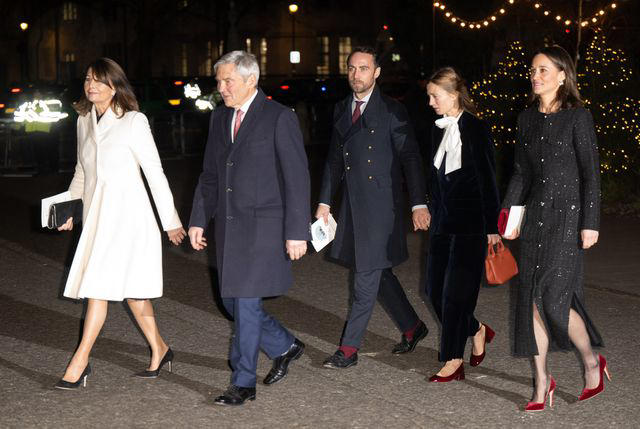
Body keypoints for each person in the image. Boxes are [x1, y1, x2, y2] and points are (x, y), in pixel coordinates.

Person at [188, 51, 311, 406]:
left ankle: (243, 382)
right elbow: (210, 175)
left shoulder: (278, 117)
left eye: (228, 81)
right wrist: (199, 218)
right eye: (219, 81)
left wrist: (296, 231)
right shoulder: (218, 118)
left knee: (243, 304)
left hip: (264, 229)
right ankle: (283, 344)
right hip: (229, 227)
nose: (221, 88)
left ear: (251, 80)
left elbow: (296, 177)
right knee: (230, 300)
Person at [55, 58, 186, 390]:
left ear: (115, 85)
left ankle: (79, 361)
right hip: (98, 219)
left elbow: (154, 173)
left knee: (115, 292)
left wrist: (170, 220)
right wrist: (68, 209)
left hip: (131, 219)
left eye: (99, 80)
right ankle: (160, 348)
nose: (91, 86)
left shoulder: (133, 121)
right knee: (119, 292)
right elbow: (82, 172)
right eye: (88, 79)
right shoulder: (84, 120)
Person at [501, 45, 606, 411]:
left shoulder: (579, 117)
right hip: (534, 220)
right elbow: (521, 173)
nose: (535, 75)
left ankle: (591, 361)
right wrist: (508, 217)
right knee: (530, 299)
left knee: (555, 300)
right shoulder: (526, 119)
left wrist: (590, 223)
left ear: (563, 76)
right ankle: (542, 380)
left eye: (544, 70)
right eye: (533, 69)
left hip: (567, 218)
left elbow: (591, 174)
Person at [316, 46, 430, 369]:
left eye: (363, 69)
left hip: (382, 208)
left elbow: (410, 158)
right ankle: (412, 326)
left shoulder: (392, 111)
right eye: (352, 68)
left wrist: (418, 203)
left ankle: (349, 350)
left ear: (377, 72)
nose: (356, 75)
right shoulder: (341, 109)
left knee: (365, 275)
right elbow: (334, 159)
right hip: (353, 205)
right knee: (377, 272)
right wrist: (324, 201)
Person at [424, 67, 501, 383]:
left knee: (455, 295)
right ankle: (476, 329)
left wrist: (492, 227)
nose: (430, 102)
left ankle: (453, 359)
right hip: (442, 225)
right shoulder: (437, 129)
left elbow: (487, 180)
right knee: (433, 291)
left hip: (471, 225)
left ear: (453, 94)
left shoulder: (476, 129)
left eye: (434, 96)